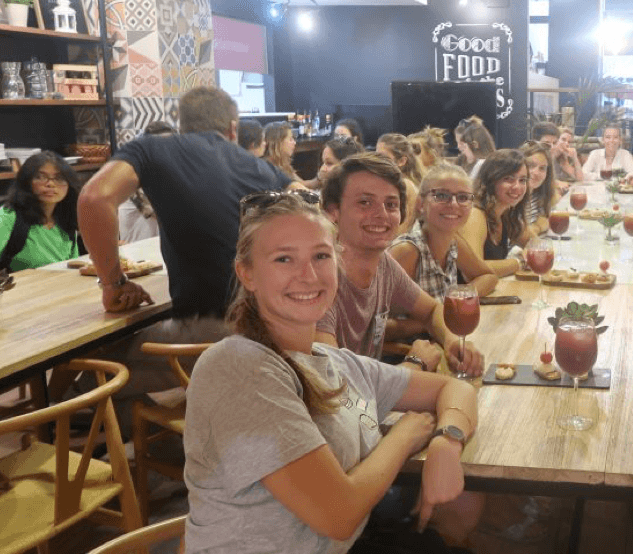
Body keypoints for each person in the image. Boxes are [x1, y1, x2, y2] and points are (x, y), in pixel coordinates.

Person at [182, 192, 480, 553]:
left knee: (472, 514)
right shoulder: (238, 366)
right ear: (247, 273)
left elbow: (453, 390)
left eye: (320, 256)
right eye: (284, 258)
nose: (307, 276)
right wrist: (405, 435)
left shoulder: (335, 361)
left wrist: (447, 441)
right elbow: (339, 516)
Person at [77, 86, 300, 431]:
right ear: (232, 128)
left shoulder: (153, 148)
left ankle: (110, 462)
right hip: (274, 331)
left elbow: (93, 198)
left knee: (84, 368)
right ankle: (179, 440)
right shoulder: (259, 168)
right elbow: (309, 205)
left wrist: (113, 283)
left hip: (215, 332)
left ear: (182, 125)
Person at [316, 152, 485, 376]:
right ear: (332, 212)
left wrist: (453, 341)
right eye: (365, 202)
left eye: (391, 204)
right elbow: (332, 382)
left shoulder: (384, 264)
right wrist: (414, 363)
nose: (381, 214)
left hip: (372, 396)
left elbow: (432, 310)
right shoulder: (317, 281)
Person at [387, 163, 498, 340]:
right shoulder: (407, 251)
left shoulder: (453, 241)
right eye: (441, 196)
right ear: (420, 204)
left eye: (463, 197)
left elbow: (488, 276)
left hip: (445, 342)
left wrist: (458, 300)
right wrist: (435, 320)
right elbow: (376, 325)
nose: (453, 204)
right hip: (408, 355)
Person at [0, 151, 83, 272]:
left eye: (59, 178)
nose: (50, 184)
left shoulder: (67, 219)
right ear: (26, 182)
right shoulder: (7, 216)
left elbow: (70, 266)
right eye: (40, 177)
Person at [457, 149, 532, 277]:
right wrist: (519, 262)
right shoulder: (475, 215)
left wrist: (531, 253)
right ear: (491, 180)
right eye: (508, 179)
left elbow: (536, 244)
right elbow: (473, 271)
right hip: (465, 295)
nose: (517, 187)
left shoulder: (506, 212)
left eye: (522, 180)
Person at [117, 121, 174, 244]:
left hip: (154, 253)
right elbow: (164, 213)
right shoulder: (134, 176)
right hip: (137, 255)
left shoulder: (161, 173)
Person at [375, 133, 424, 235]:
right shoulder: (392, 184)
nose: (377, 161)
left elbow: (400, 231)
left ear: (401, 161)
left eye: (384, 157)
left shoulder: (405, 186)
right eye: (376, 156)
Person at [520, 141, 559, 237]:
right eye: (531, 165)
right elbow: (519, 236)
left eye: (542, 168)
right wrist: (538, 227)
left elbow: (547, 220)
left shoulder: (538, 196)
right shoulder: (512, 198)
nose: (536, 172)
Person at [263, 121, 307, 186]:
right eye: (290, 139)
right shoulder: (268, 167)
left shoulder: (283, 162)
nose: (294, 143)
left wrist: (319, 178)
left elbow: (303, 184)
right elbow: (298, 187)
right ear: (278, 142)